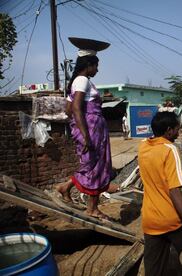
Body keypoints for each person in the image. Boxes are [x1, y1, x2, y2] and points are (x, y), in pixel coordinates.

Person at [138, 111, 182, 276]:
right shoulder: (170, 150)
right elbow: (174, 190)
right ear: (169, 130)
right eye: (177, 128)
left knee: (153, 270)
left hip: (149, 220)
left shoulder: (143, 146)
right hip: (171, 221)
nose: (178, 132)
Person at [56, 37, 112, 220]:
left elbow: (68, 109)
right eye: (96, 65)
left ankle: (66, 188)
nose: (97, 69)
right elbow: (77, 108)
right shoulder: (82, 81)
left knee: (91, 166)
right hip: (91, 131)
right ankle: (92, 209)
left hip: (92, 129)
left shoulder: (79, 81)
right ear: (88, 64)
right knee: (95, 167)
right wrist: (87, 135)